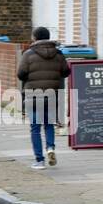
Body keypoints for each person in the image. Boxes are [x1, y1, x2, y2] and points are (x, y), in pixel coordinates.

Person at [17, 27, 71, 171]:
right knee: (49, 124)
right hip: (52, 94)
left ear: (35, 38)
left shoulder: (28, 54)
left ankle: (39, 161)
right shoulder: (58, 54)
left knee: (35, 128)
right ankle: (50, 148)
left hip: (33, 95)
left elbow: (21, 74)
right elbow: (66, 72)